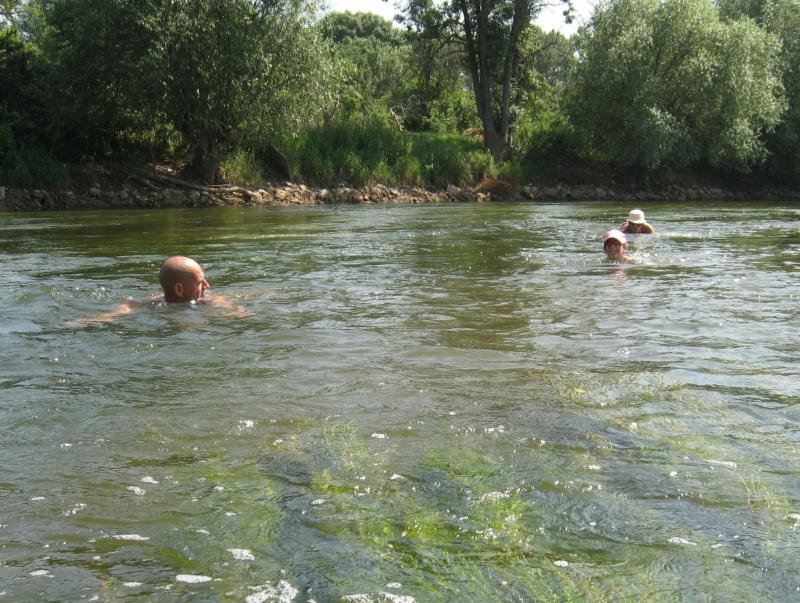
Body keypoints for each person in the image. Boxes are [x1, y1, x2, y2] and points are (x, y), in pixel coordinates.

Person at [72, 256, 244, 324]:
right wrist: (86, 321)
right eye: (200, 282)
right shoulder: (152, 304)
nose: (207, 285)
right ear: (179, 289)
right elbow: (122, 309)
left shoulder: (210, 300)